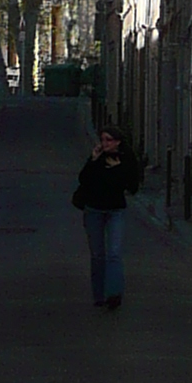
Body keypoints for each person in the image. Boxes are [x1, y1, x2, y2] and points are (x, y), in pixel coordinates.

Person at [71, 123, 142, 310]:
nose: (105, 144)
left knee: (114, 254)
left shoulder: (126, 159)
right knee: (97, 255)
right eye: (102, 140)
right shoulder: (98, 158)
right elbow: (84, 179)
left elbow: (132, 184)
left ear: (118, 142)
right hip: (93, 209)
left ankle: (114, 293)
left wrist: (118, 169)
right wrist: (93, 160)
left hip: (115, 210)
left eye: (108, 140)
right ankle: (98, 295)